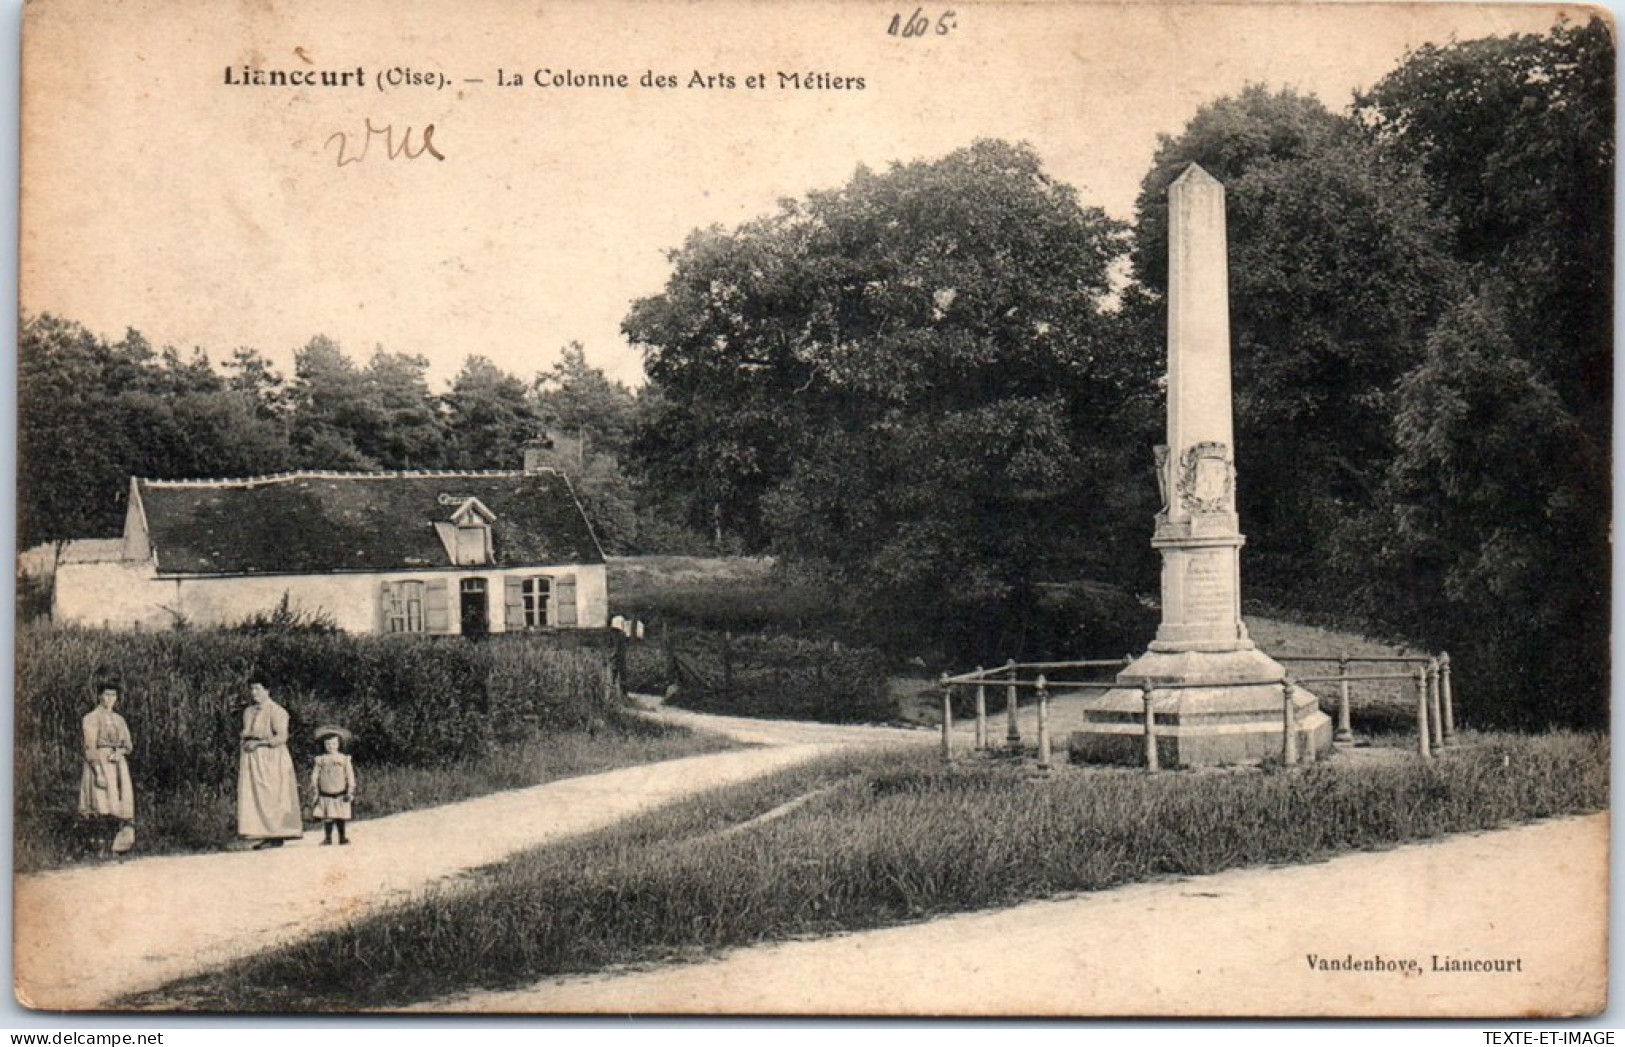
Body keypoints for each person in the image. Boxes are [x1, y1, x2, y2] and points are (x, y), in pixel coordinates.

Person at [237, 680, 303, 849]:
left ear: (267, 690)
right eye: (251, 689)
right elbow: (246, 732)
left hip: (272, 758)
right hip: (252, 758)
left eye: (257, 689)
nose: (254, 693)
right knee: (256, 794)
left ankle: (276, 833)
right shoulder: (248, 712)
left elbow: (281, 737)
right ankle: (262, 832)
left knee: (272, 794)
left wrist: (259, 743)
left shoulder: (277, 711)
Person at [78, 681, 134, 857]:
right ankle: (96, 848)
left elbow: (128, 745)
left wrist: (119, 752)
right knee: (101, 805)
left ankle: (116, 847)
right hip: (100, 763)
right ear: (99, 696)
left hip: (118, 765)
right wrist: (98, 772)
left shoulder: (119, 720)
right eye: (107, 695)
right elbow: (90, 747)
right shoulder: (91, 718)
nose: (110, 699)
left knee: (118, 806)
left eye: (113, 695)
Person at [308, 726, 357, 846]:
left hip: (340, 792)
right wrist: (315, 788)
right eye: (328, 744)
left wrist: (350, 789)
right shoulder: (321, 760)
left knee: (340, 816)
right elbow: (315, 775)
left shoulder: (344, 759)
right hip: (326, 792)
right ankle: (328, 837)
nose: (331, 746)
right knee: (328, 816)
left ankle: (342, 837)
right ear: (324, 745)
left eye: (334, 743)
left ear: (339, 744)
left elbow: (349, 775)